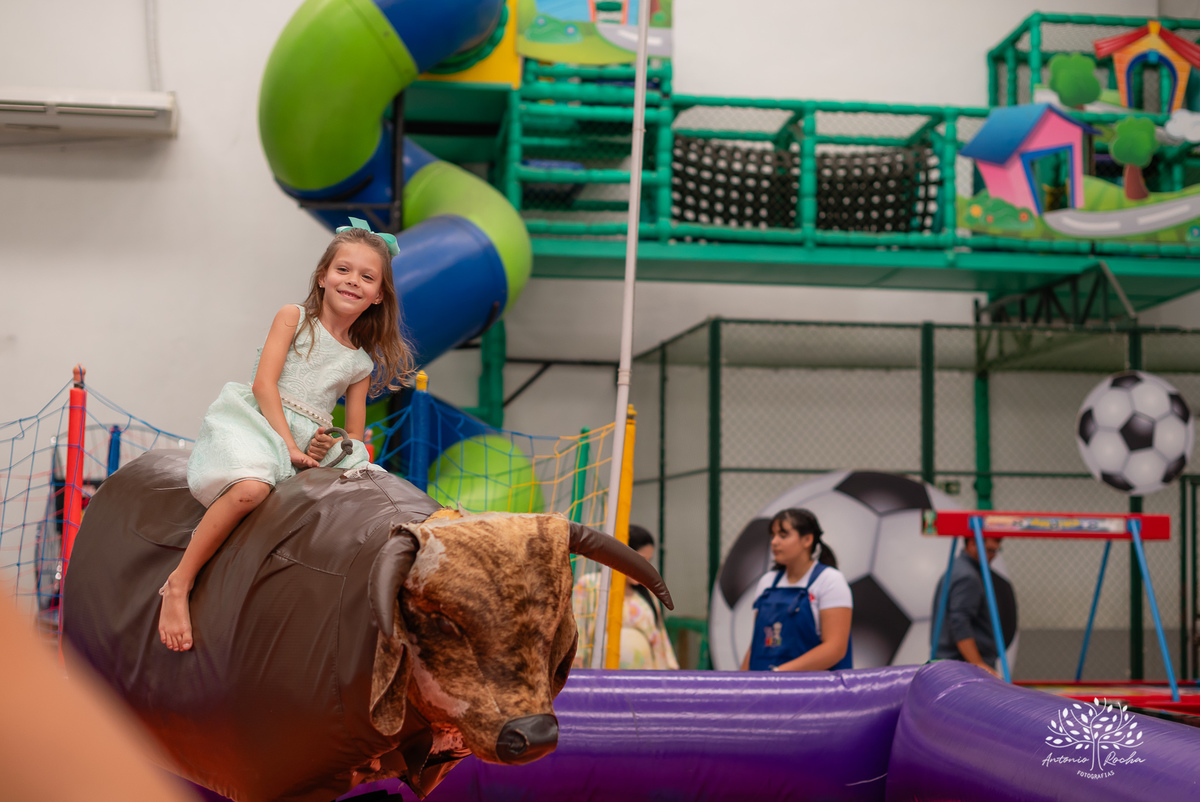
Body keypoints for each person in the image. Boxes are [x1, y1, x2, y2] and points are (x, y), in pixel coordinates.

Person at [158, 218, 412, 652]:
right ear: (323, 276)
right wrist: (288, 445)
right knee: (251, 489)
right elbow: (264, 384)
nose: (352, 281)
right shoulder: (293, 318)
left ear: (378, 295)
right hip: (260, 421)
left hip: (307, 442)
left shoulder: (360, 364)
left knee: (355, 488)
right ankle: (179, 583)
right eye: (343, 270)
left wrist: (330, 443)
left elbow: (352, 434)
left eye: (367, 277)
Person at [740, 508, 853, 672]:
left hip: (813, 692)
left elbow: (835, 649)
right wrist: (741, 685)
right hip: (765, 687)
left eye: (783, 535)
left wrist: (780, 675)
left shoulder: (830, 580)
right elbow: (756, 643)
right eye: (773, 535)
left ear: (807, 540)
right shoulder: (767, 582)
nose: (774, 542)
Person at [572, 525, 679, 670]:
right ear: (622, 555)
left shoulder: (648, 593)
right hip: (601, 675)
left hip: (644, 677)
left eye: (648, 561)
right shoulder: (590, 584)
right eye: (641, 560)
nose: (645, 567)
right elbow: (578, 629)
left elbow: (660, 640)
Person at [931, 535, 1003, 677]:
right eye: (989, 550)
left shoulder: (958, 568)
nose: (992, 556)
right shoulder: (968, 577)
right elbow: (960, 623)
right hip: (963, 668)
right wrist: (979, 665)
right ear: (972, 543)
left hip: (953, 664)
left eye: (996, 551)